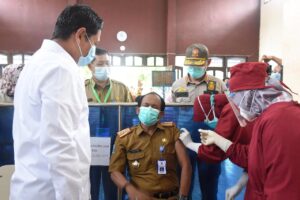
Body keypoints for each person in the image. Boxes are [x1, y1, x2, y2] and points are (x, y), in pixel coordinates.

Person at [10, 5, 103, 200]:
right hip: (50, 192)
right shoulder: (61, 69)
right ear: (80, 35)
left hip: (32, 185)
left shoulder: (37, 62)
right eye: (92, 43)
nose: (91, 52)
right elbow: (60, 145)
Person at [200, 62, 300, 199]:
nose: (238, 107)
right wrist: (240, 184)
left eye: (238, 99)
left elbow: (284, 187)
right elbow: (257, 156)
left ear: (252, 95)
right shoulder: (269, 115)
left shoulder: (280, 121)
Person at [109, 92, 191, 200]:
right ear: (138, 110)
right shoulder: (124, 138)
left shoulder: (172, 132)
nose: (149, 109)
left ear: (161, 114)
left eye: (154, 107)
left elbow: (186, 165)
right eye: (146, 105)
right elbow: (115, 171)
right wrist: (129, 189)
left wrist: (183, 196)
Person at [171, 43, 226, 200]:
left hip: (209, 143)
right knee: (183, 185)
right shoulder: (177, 85)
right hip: (183, 141)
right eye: (190, 64)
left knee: (209, 185)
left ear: (208, 63)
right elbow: (172, 113)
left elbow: (228, 112)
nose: (194, 68)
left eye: (199, 64)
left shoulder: (218, 85)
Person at [85, 47, 133, 200]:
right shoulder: (80, 88)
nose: (105, 67)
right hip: (88, 149)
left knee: (112, 190)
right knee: (89, 188)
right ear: (90, 66)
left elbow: (130, 120)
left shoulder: (121, 89)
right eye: (100, 64)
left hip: (114, 148)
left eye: (108, 63)